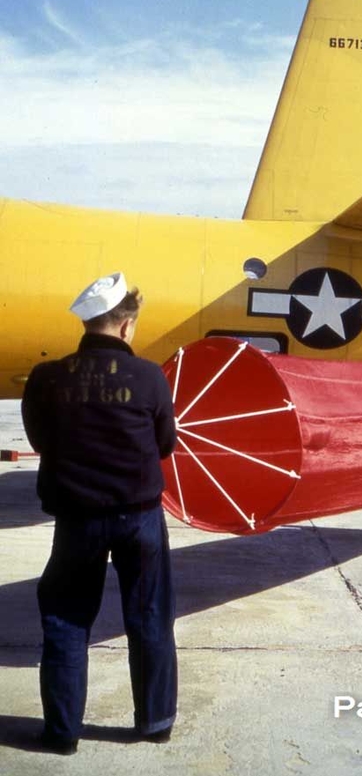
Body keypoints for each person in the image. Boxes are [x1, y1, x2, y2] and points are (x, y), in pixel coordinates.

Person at [21, 272, 178, 755]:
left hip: (77, 519)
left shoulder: (47, 378)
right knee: (150, 617)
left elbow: (39, 440)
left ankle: (63, 733)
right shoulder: (149, 376)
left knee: (67, 620)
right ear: (127, 325)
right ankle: (154, 722)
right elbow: (165, 444)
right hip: (140, 517)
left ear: (87, 322)